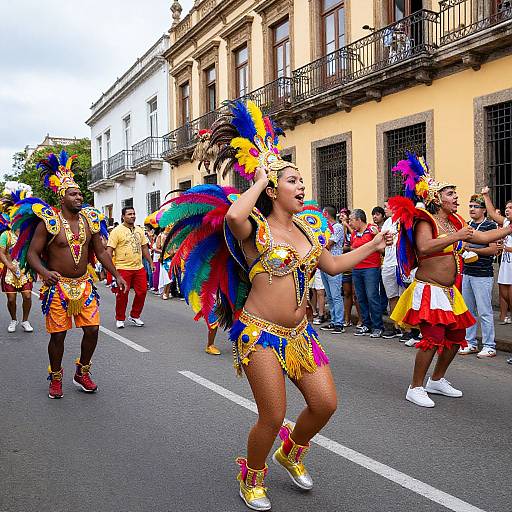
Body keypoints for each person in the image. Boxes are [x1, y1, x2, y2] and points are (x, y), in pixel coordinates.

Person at [158, 101, 390, 511]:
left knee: (325, 404)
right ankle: (252, 474)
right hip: (259, 333)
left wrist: (372, 245)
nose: (302, 187)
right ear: (272, 189)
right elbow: (232, 215)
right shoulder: (255, 228)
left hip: (300, 335)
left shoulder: (308, 227)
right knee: (273, 414)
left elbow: (333, 266)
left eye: (302, 181)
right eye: (293, 181)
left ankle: (292, 451)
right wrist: (261, 175)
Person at [389, 153, 511, 408]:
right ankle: (415, 387)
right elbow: (424, 248)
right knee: (432, 339)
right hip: (429, 290)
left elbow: (479, 238)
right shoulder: (426, 219)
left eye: (455, 194)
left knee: (457, 337)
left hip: (448, 292)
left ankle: (437, 379)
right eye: (451, 194)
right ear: (437, 198)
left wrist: (509, 228)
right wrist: (455, 237)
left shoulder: (455, 221)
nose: (457, 198)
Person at [18, 151, 127, 399]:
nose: (79, 197)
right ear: (62, 196)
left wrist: (117, 274)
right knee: (58, 336)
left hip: (85, 285)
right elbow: (33, 254)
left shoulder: (90, 220)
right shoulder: (49, 222)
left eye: (80, 193)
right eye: (74, 193)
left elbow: (100, 251)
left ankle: (82, 371)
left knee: (92, 330)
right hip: (57, 287)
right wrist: (45, 272)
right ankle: (56, 377)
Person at [458, 194, 498, 358]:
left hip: (482, 274)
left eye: (475, 206)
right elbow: (463, 245)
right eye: (470, 206)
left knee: (485, 311)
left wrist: (473, 250)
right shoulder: (467, 225)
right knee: (468, 310)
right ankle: (471, 343)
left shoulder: (490, 225)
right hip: (468, 272)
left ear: (483, 209)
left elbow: (493, 249)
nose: (472, 209)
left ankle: (490, 345)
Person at [107, 208, 153, 328]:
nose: (132, 216)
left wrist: (151, 262)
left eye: (134, 214)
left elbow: (144, 248)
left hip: (139, 267)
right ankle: (120, 318)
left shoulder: (139, 230)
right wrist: (111, 268)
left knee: (142, 291)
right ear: (123, 216)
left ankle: (135, 315)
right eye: (129, 214)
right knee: (123, 294)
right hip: (122, 267)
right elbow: (109, 250)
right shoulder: (116, 231)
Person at [0, 182, 34, 333]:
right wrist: (10, 265)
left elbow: (33, 251)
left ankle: (25, 320)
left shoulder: (28, 234)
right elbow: (1, 252)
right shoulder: (5, 235)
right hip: (9, 271)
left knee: (27, 296)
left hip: (25, 270)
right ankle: (14, 319)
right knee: (11, 299)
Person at [350, 209, 385, 338]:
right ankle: (366, 324)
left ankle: (378, 326)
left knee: (372, 297)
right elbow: (353, 247)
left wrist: (377, 235)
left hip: (371, 268)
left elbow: (381, 243)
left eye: (351, 220)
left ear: (359, 220)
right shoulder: (354, 233)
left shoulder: (372, 229)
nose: (350, 223)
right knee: (361, 298)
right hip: (357, 268)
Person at [481, 188, 512, 330]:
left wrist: (506, 248)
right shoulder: (506, 223)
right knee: (504, 294)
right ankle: (505, 316)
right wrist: (486, 195)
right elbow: (493, 213)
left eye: (511, 208)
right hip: (506, 265)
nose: (507, 210)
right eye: (506, 208)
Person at [320, 205, 345, 334]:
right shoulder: (323, 228)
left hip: (334, 263)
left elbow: (328, 245)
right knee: (329, 295)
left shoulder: (338, 227)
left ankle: (339, 323)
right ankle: (334, 320)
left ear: (326, 214)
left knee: (336, 295)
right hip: (324, 264)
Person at [380, 200, 403, 339]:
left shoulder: (402, 221)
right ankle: (396, 326)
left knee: (402, 296)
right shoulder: (387, 222)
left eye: (386, 207)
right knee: (392, 296)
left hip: (399, 263)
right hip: (387, 263)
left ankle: (406, 327)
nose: (385, 210)